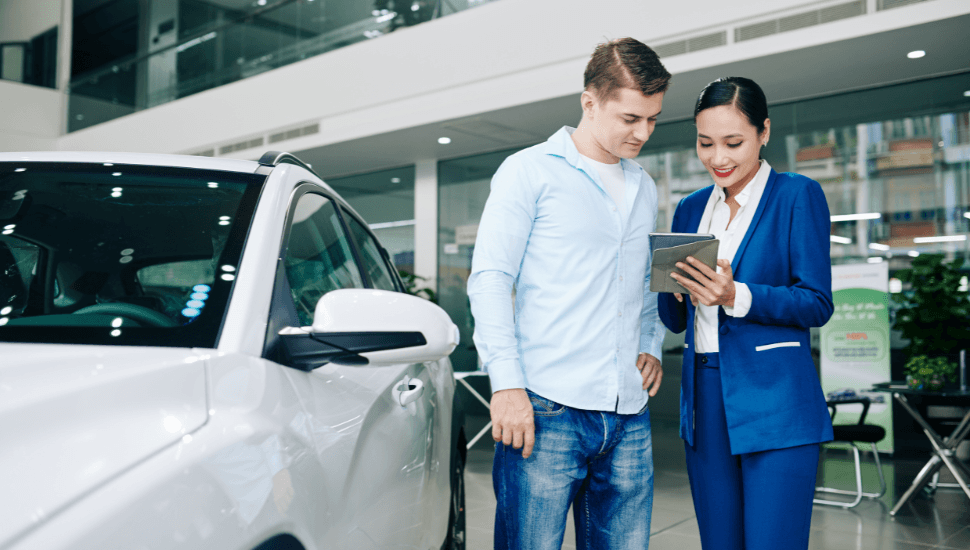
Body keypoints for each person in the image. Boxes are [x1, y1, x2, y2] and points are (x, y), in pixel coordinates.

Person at [467, 38, 671, 550]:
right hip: (545, 407)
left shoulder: (644, 186)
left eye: (652, 119)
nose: (643, 132)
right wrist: (506, 385)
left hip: (628, 412)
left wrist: (651, 340)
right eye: (630, 118)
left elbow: (645, 278)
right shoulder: (528, 171)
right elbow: (491, 278)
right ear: (590, 101)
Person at [658, 77, 834, 550]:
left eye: (733, 143)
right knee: (719, 542)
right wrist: (671, 291)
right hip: (704, 397)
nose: (718, 158)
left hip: (777, 396)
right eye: (705, 143)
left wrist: (737, 294)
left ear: (764, 133)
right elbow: (675, 321)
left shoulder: (797, 195)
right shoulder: (690, 207)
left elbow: (817, 302)